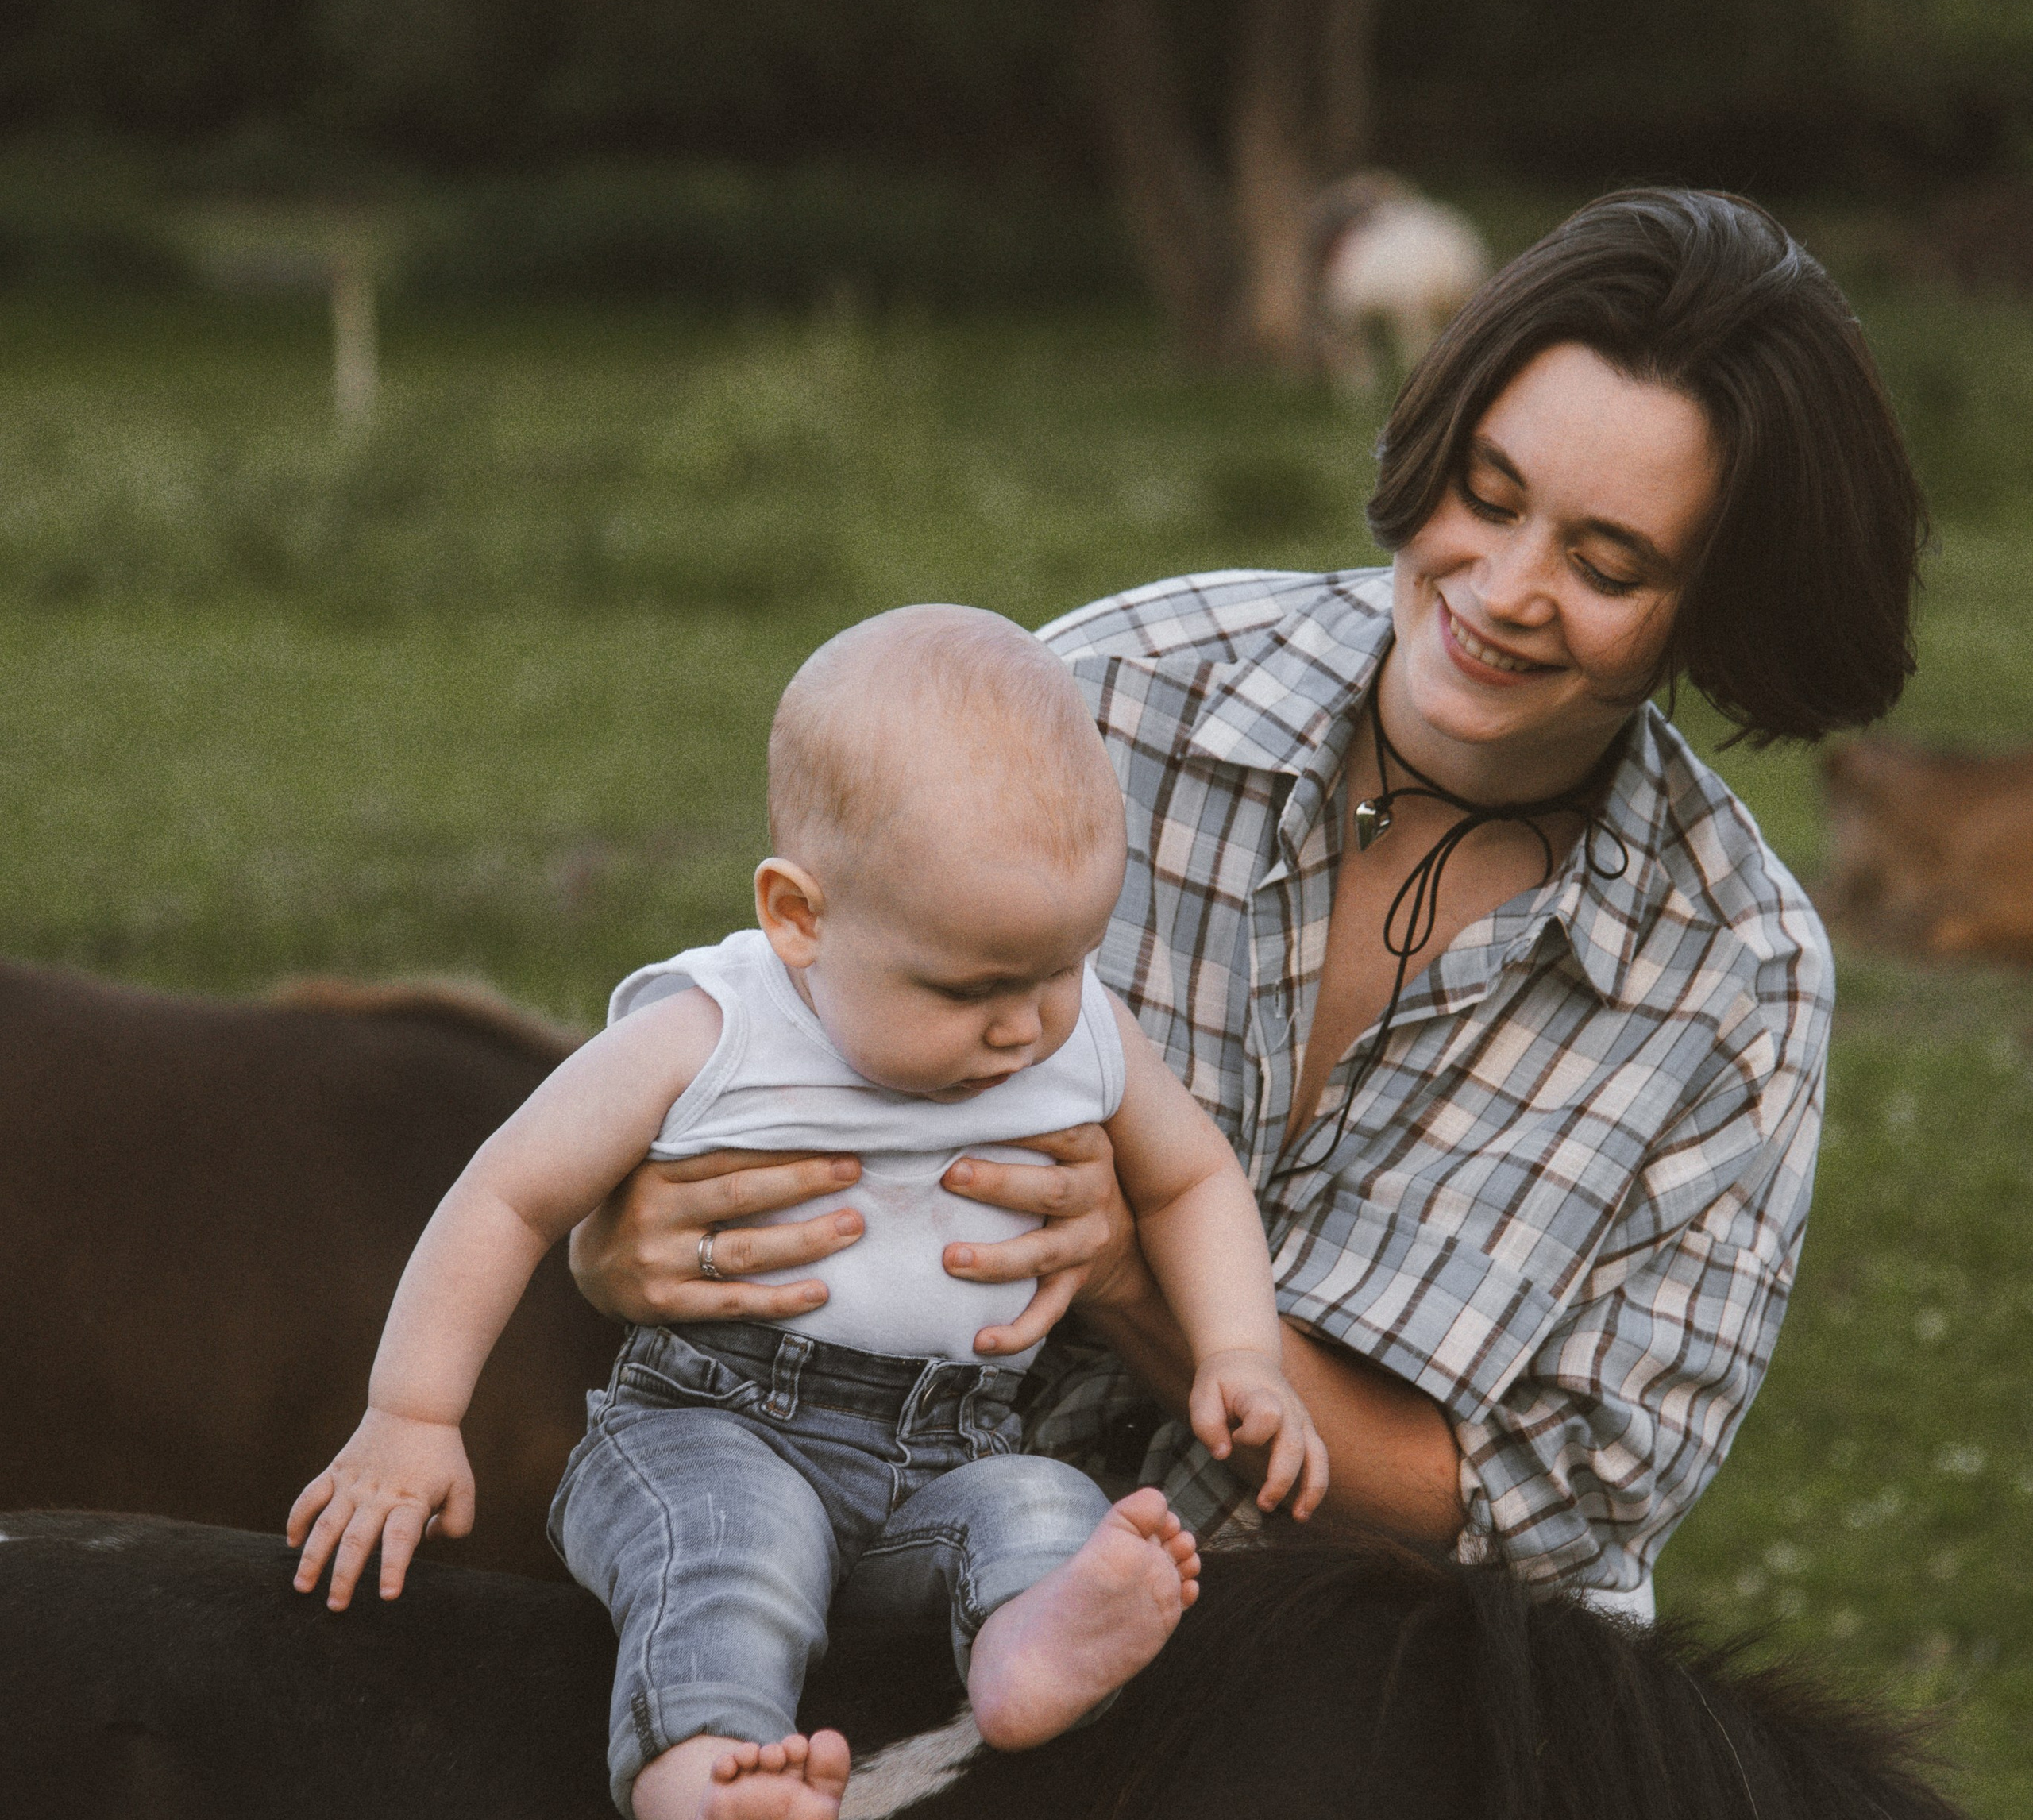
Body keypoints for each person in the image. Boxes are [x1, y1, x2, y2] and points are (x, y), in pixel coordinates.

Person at [568, 189, 1927, 1619]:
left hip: (1363, 1692)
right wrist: (628, 1239)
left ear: (1717, 606)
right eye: (1489, 492)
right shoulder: (1101, 702)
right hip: (901, 1579)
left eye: (1607, 567)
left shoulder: (1736, 977)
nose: (1507, 589)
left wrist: (1131, 1277)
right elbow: (763, 1041)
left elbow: (1538, 1522)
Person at [287, 604, 1325, 1820]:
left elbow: (1191, 1182)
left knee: (1042, 1508)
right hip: (712, 1430)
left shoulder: (1079, 1037)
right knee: (736, 1557)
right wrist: (414, 1411)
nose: (1023, 1026)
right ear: (797, 918)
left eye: (1062, 969)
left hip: (948, 1444)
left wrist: (1240, 1351)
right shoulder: (711, 1029)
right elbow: (510, 1191)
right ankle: (708, 1812)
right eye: (969, 987)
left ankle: (1026, 1656)